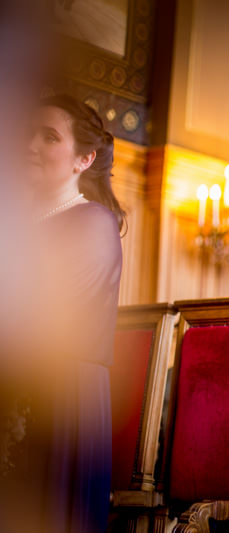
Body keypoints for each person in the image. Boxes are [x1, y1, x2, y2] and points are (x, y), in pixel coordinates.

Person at [1, 94, 124, 533]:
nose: (30, 144)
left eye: (49, 136)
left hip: (60, 399)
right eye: (27, 132)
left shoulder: (92, 222)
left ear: (84, 158)